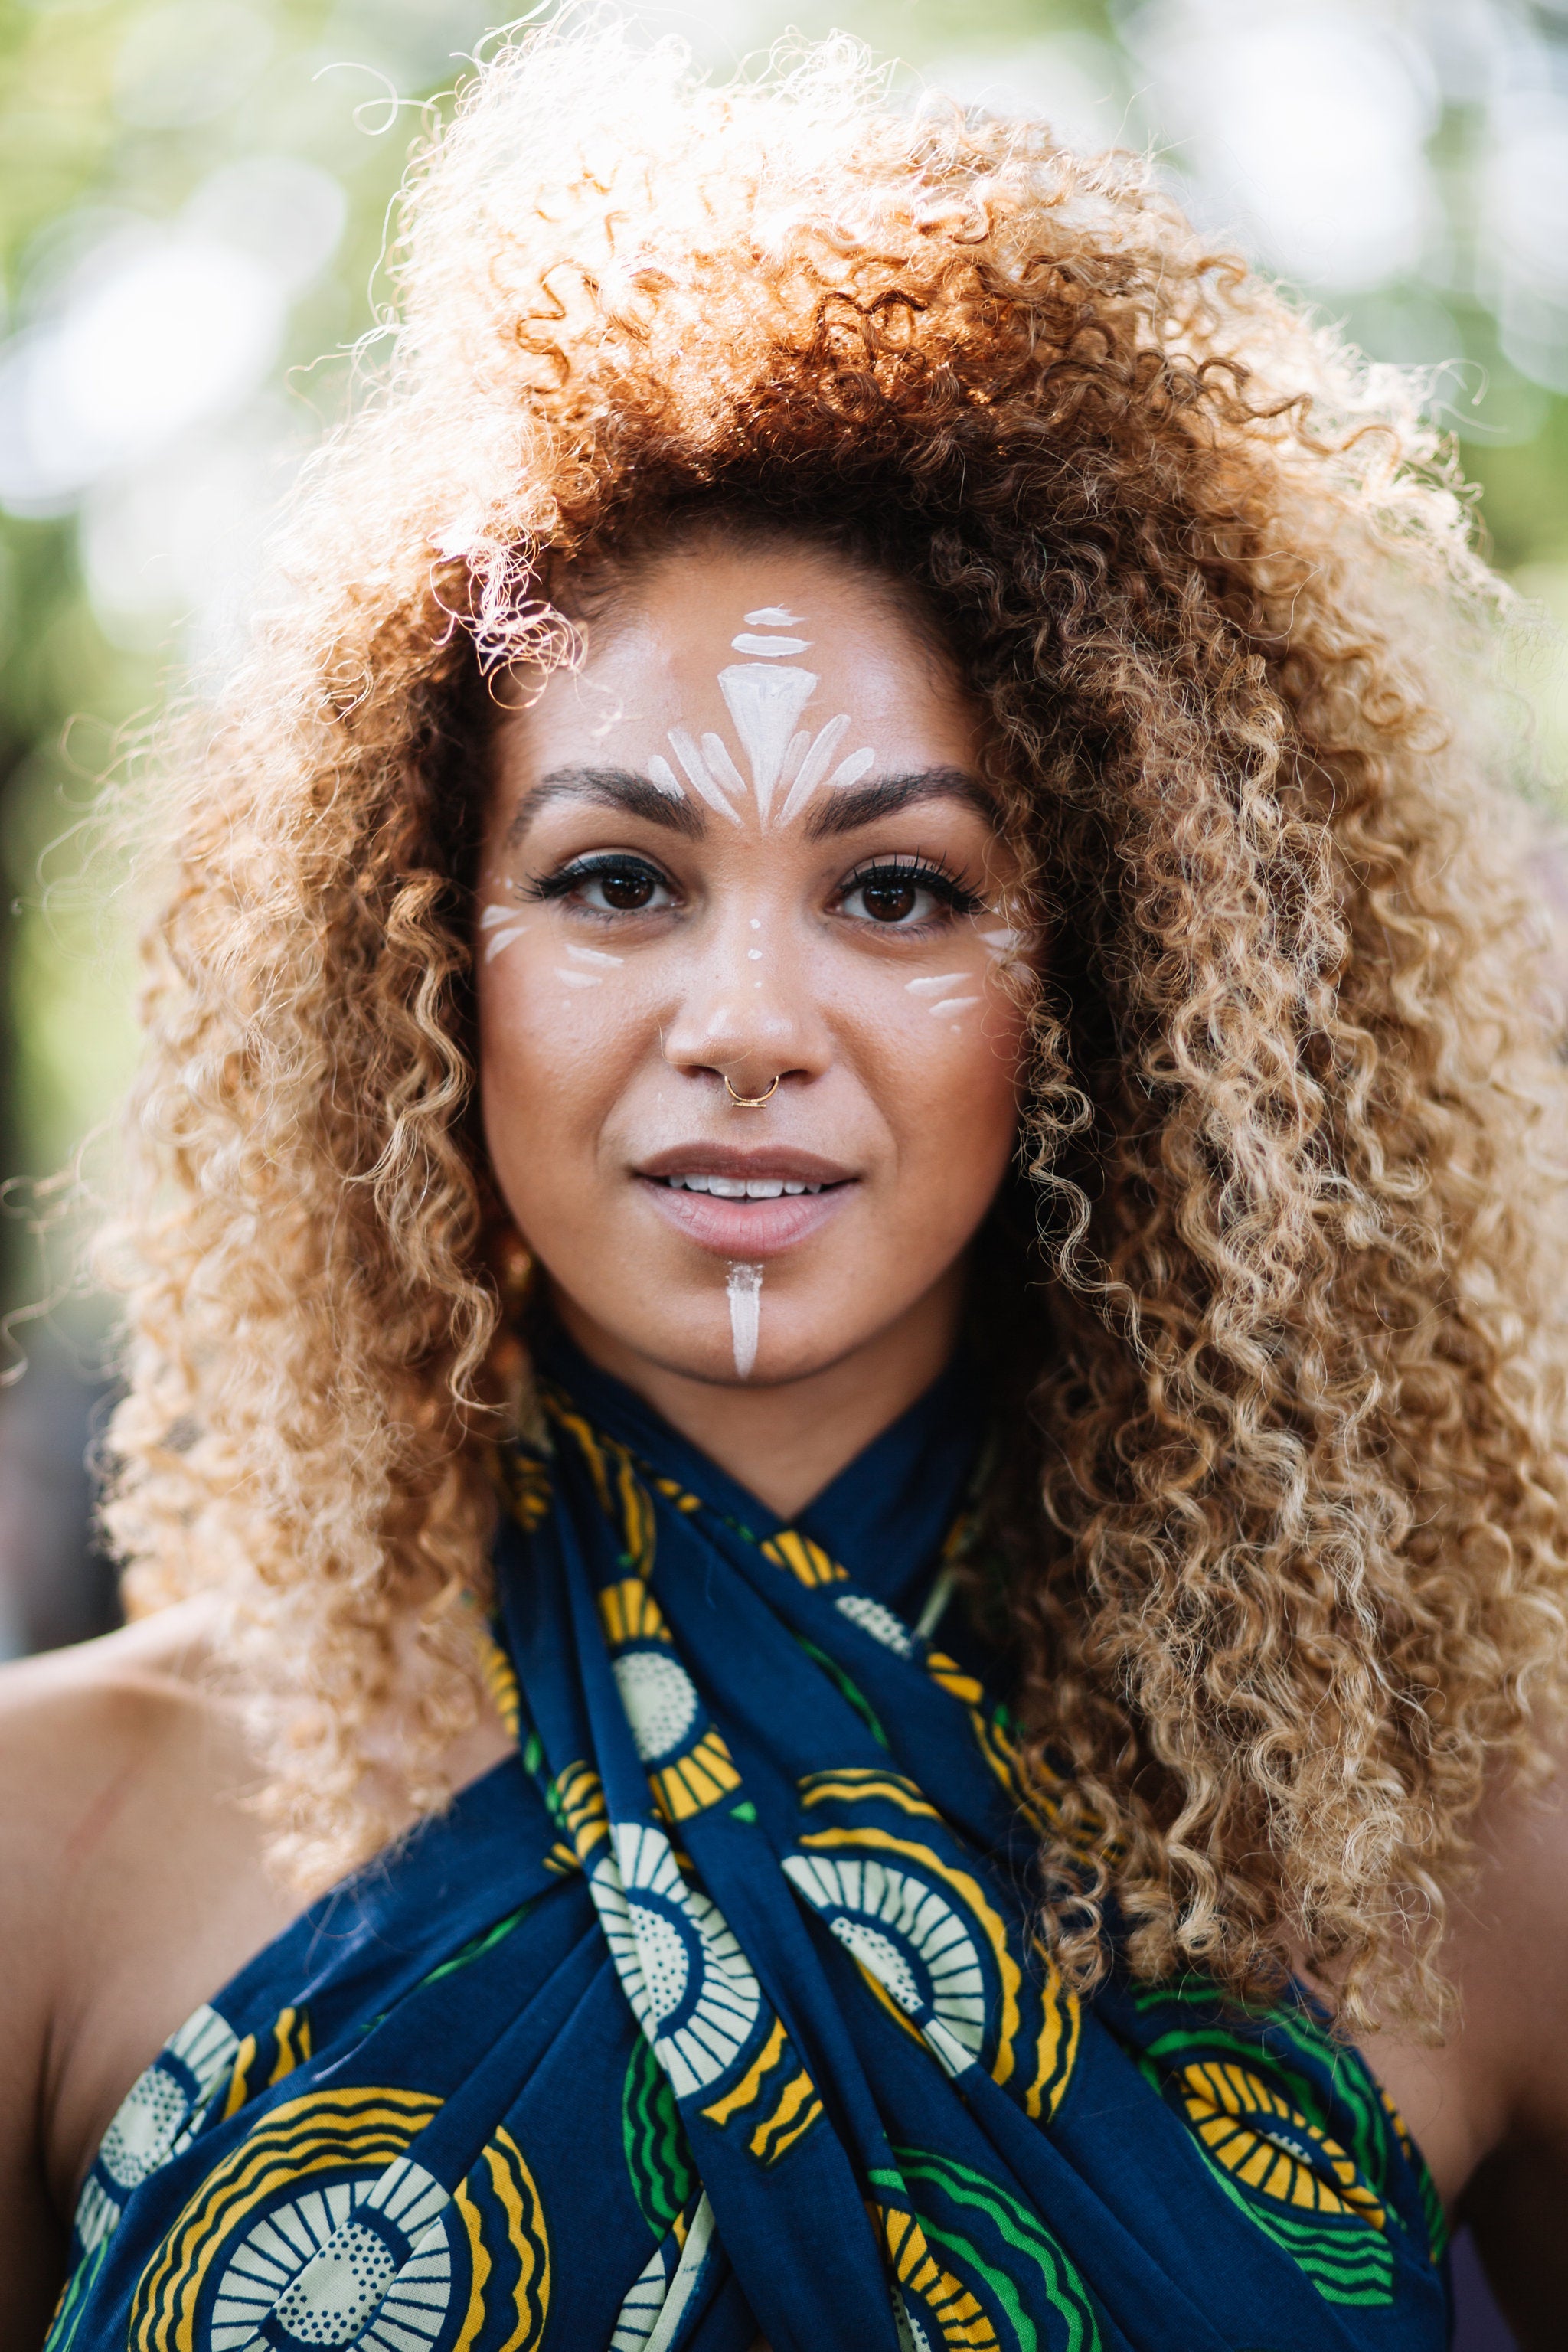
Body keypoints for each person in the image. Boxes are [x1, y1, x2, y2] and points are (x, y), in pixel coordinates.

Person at [2, 23, 1566, 2350]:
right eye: (620, 878)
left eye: (906, 893)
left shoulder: (1470, 1858)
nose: (745, 1017)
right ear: (426, 952)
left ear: (1118, 991)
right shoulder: (57, 1843)